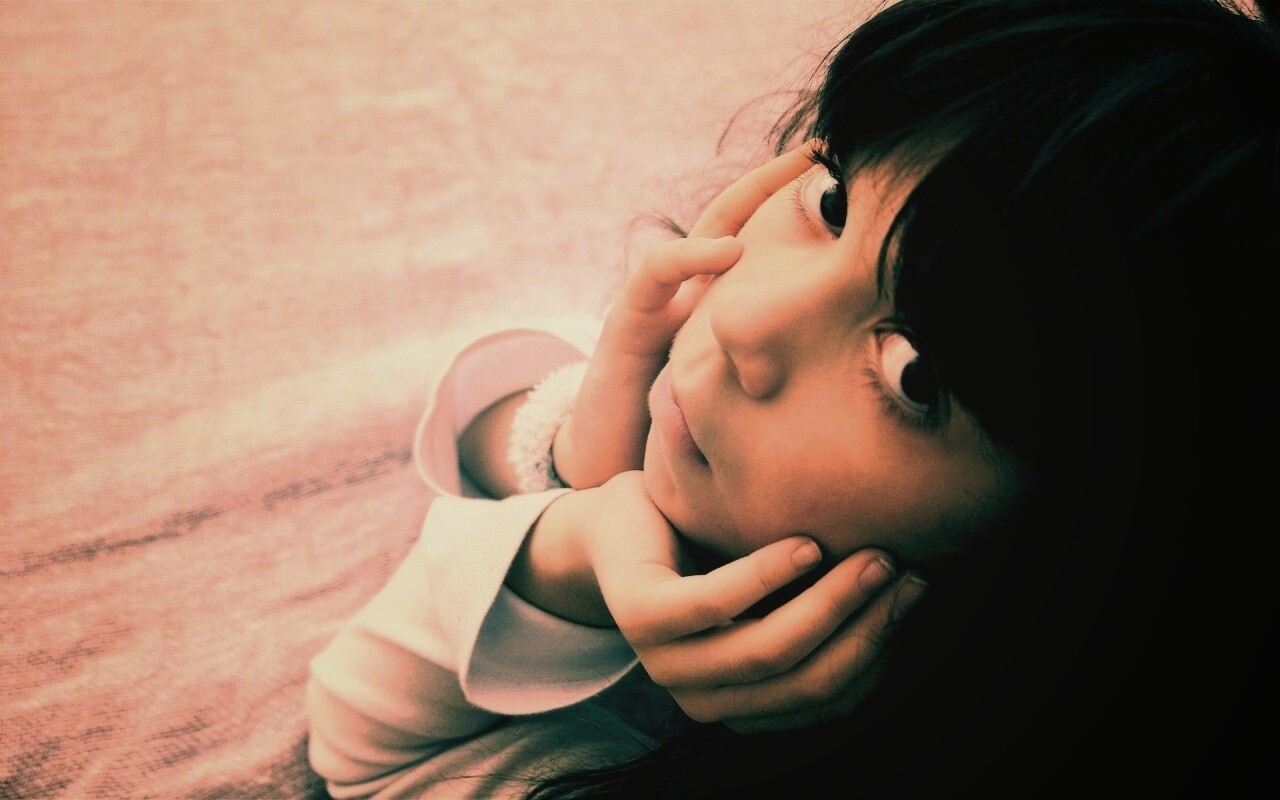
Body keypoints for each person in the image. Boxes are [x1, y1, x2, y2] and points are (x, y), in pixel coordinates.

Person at [306, 0, 1279, 796]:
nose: (746, 320)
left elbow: (367, 747)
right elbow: (482, 409)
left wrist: (577, 559)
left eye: (912, 372)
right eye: (832, 200)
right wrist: (588, 465)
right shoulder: (725, 392)